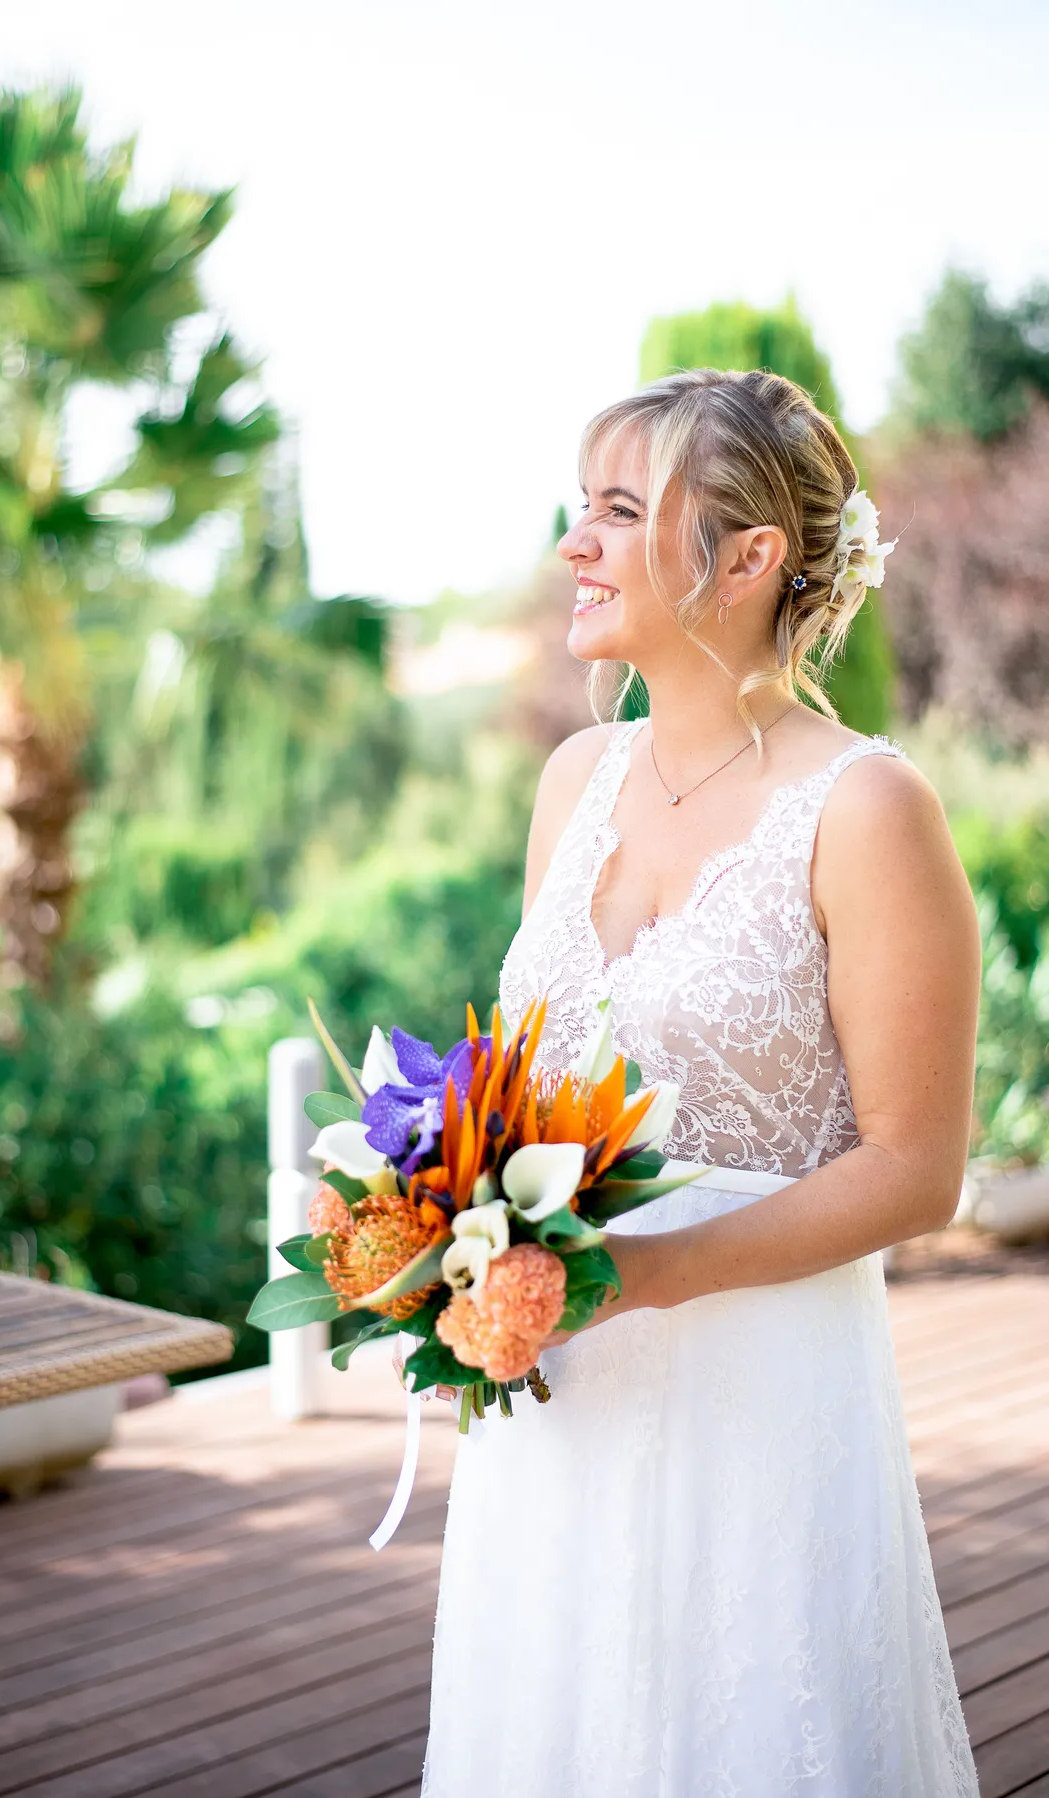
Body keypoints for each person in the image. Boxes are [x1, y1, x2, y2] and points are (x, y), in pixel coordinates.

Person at [419, 369, 981, 1797]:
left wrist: (653, 1273)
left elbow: (919, 1166)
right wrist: (438, 1214)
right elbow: (531, 1082)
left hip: (762, 1408)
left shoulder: (866, 807)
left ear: (748, 558)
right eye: (580, 507)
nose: (574, 544)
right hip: (555, 1402)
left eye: (618, 509)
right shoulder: (573, 780)